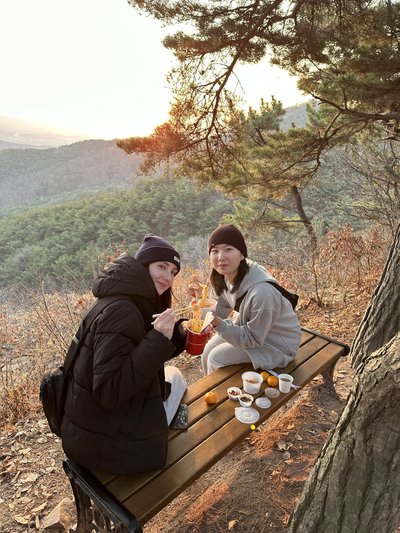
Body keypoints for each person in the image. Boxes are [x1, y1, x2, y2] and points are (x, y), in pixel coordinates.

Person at [61, 234, 187, 474]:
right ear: (142, 265)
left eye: (173, 272)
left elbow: (138, 356)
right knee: (178, 379)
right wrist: (158, 338)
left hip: (93, 427)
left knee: (174, 377)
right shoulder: (123, 311)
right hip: (109, 444)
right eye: (161, 267)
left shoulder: (130, 300)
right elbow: (110, 391)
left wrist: (178, 333)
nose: (167, 277)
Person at [198, 224, 301, 375]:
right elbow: (220, 307)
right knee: (207, 350)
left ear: (242, 254)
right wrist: (200, 301)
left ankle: (219, 397)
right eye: (215, 251)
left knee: (216, 357)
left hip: (277, 344)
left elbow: (252, 338)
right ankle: (209, 391)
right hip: (253, 331)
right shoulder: (225, 275)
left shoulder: (262, 293)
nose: (221, 257)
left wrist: (218, 323)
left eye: (228, 249)